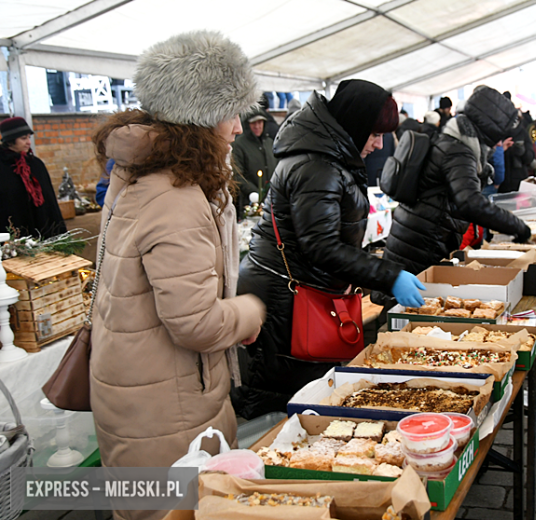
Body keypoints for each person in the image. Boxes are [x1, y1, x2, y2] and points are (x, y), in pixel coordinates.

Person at [90, 31, 266, 520]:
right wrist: (249, 310)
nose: (237, 126)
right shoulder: (176, 196)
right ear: (201, 119)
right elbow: (194, 323)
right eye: (230, 113)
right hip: (166, 404)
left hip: (139, 384)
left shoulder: (137, 173)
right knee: (179, 511)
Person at [234, 79, 424, 419]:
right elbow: (321, 246)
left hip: (299, 294)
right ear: (355, 125)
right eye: (374, 134)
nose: (379, 145)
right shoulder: (316, 165)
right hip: (284, 302)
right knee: (291, 405)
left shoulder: (330, 156)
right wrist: (389, 276)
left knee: (311, 398)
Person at [383, 86, 532, 275]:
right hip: (421, 245)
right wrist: (518, 227)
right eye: (499, 136)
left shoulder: (451, 141)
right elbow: (470, 203)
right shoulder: (458, 152)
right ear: (490, 130)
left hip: (416, 239)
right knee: (408, 303)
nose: (498, 143)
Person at [0, 117, 66, 238]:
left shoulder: (35, 164)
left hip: (41, 229)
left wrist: (58, 232)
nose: (29, 142)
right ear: (10, 140)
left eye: (28, 138)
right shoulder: (3, 167)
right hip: (14, 235)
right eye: (23, 138)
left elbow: (50, 201)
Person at [231, 107, 278, 209]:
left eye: (260, 122)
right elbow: (237, 174)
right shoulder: (239, 145)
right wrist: (254, 192)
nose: (257, 126)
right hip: (250, 202)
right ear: (247, 125)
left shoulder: (269, 142)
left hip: (271, 200)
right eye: (253, 123)